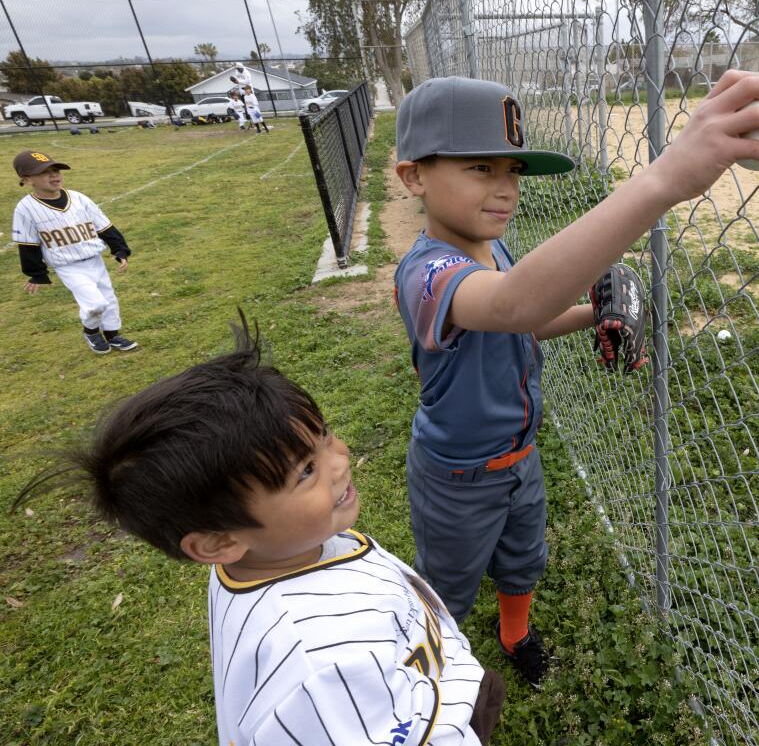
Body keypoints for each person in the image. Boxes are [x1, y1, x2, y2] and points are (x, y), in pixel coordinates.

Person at [392, 71, 759, 687]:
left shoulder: (494, 252)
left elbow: (521, 326)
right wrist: (661, 181)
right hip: (456, 474)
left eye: (513, 171)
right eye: (480, 168)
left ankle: (515, 635)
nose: (505, 189)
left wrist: (593, 314)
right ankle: (429, 684)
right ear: (414, 176)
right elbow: (511, 307)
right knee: (446, 584)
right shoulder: (426, 275)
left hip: (519, 457)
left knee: (523, 558)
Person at [15, 319, 505, 744]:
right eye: (305, 472)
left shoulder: (272, 555)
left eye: (325, 435)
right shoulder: (318, 666)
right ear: (218, 542)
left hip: (428, 680)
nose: (341, 459)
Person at [11, 150, 138, 354]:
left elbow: (104, 226)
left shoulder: (78, 198)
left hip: (94, 260)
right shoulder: (26, 208)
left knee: (109, 299)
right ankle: (91, 331)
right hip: (68, 266)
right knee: (95, 303)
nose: (54, 175)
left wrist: (120, 249)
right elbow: (28, 244)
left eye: (56, 170)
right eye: (45, 172)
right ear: (27, 180)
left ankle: (113, 336)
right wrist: (36, 273)